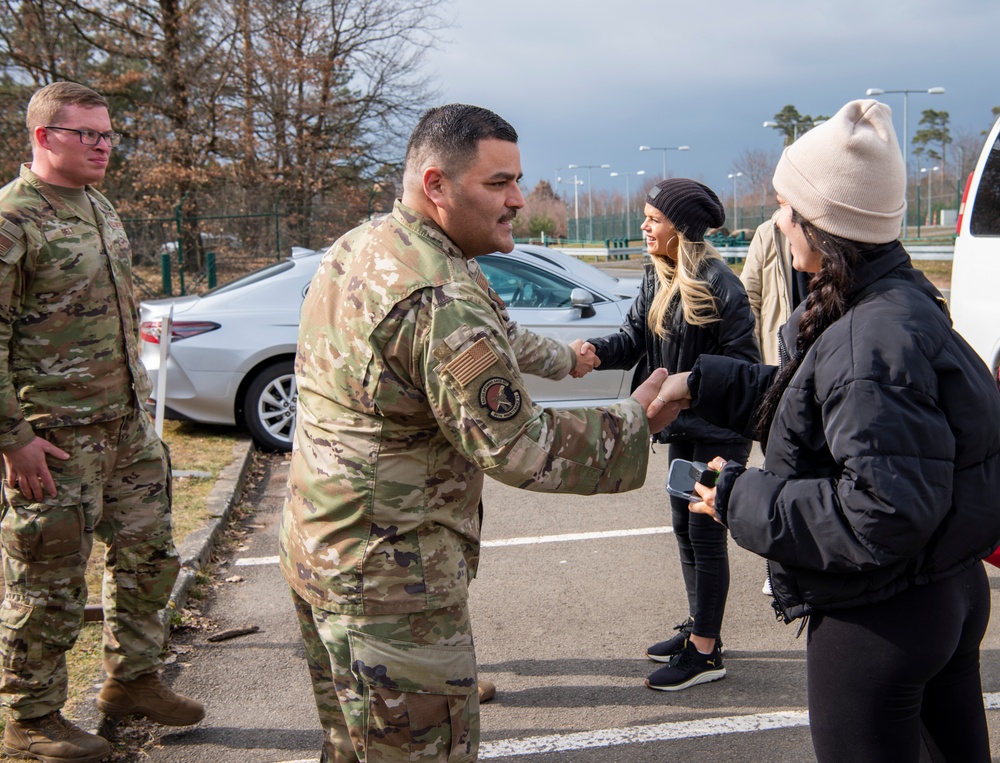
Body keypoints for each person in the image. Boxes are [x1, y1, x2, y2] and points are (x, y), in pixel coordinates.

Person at [279, 103, 678, 763]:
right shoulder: (439, 297)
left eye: (518, 180)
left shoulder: (373, 243)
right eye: (498, 184)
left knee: (353, 742)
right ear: (437, 185)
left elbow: (495, 334)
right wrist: (634, 420)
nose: (519, 199)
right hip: (389, 580)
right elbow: (518, 446)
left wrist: (569, 358)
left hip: (321, 543)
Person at [649, 99, 1000, 762]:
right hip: (940, 589)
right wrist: (704, 381)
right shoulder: (893, 302)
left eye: (787, 206)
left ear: (826, 223)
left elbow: (882, 511)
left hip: (881, 617)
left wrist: (735, 497)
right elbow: (818, 403)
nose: (778, 220)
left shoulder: (869, 337)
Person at [0, 82, 204, 763]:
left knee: (149, 559)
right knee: (49, 581)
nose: (102, 145)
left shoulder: (99, 206)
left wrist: (141, 418)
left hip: (124, 427)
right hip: (54, 442)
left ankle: (132, 679)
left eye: (108, 134)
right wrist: (15, 438)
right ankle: (30, 719)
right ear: (42, 137)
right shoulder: (12, 218)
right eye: (86, 133)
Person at [572, 178, 760, 692]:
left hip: (720, 428)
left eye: (654, 219)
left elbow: (744, 366)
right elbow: (634, 338)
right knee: (682, 528)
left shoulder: (723, 285)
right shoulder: (657, 280)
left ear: (683, 230)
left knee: (704, 531)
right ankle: (700, 629)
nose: (644, 226)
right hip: (681, 423)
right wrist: (592, 353)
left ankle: (705, 653)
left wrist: (691, 388)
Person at [740, 208, 810, 365]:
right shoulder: (769, 233)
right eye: (780, 201)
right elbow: (748, 299)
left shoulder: (837, 233)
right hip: (778, 360)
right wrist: (755, 363)